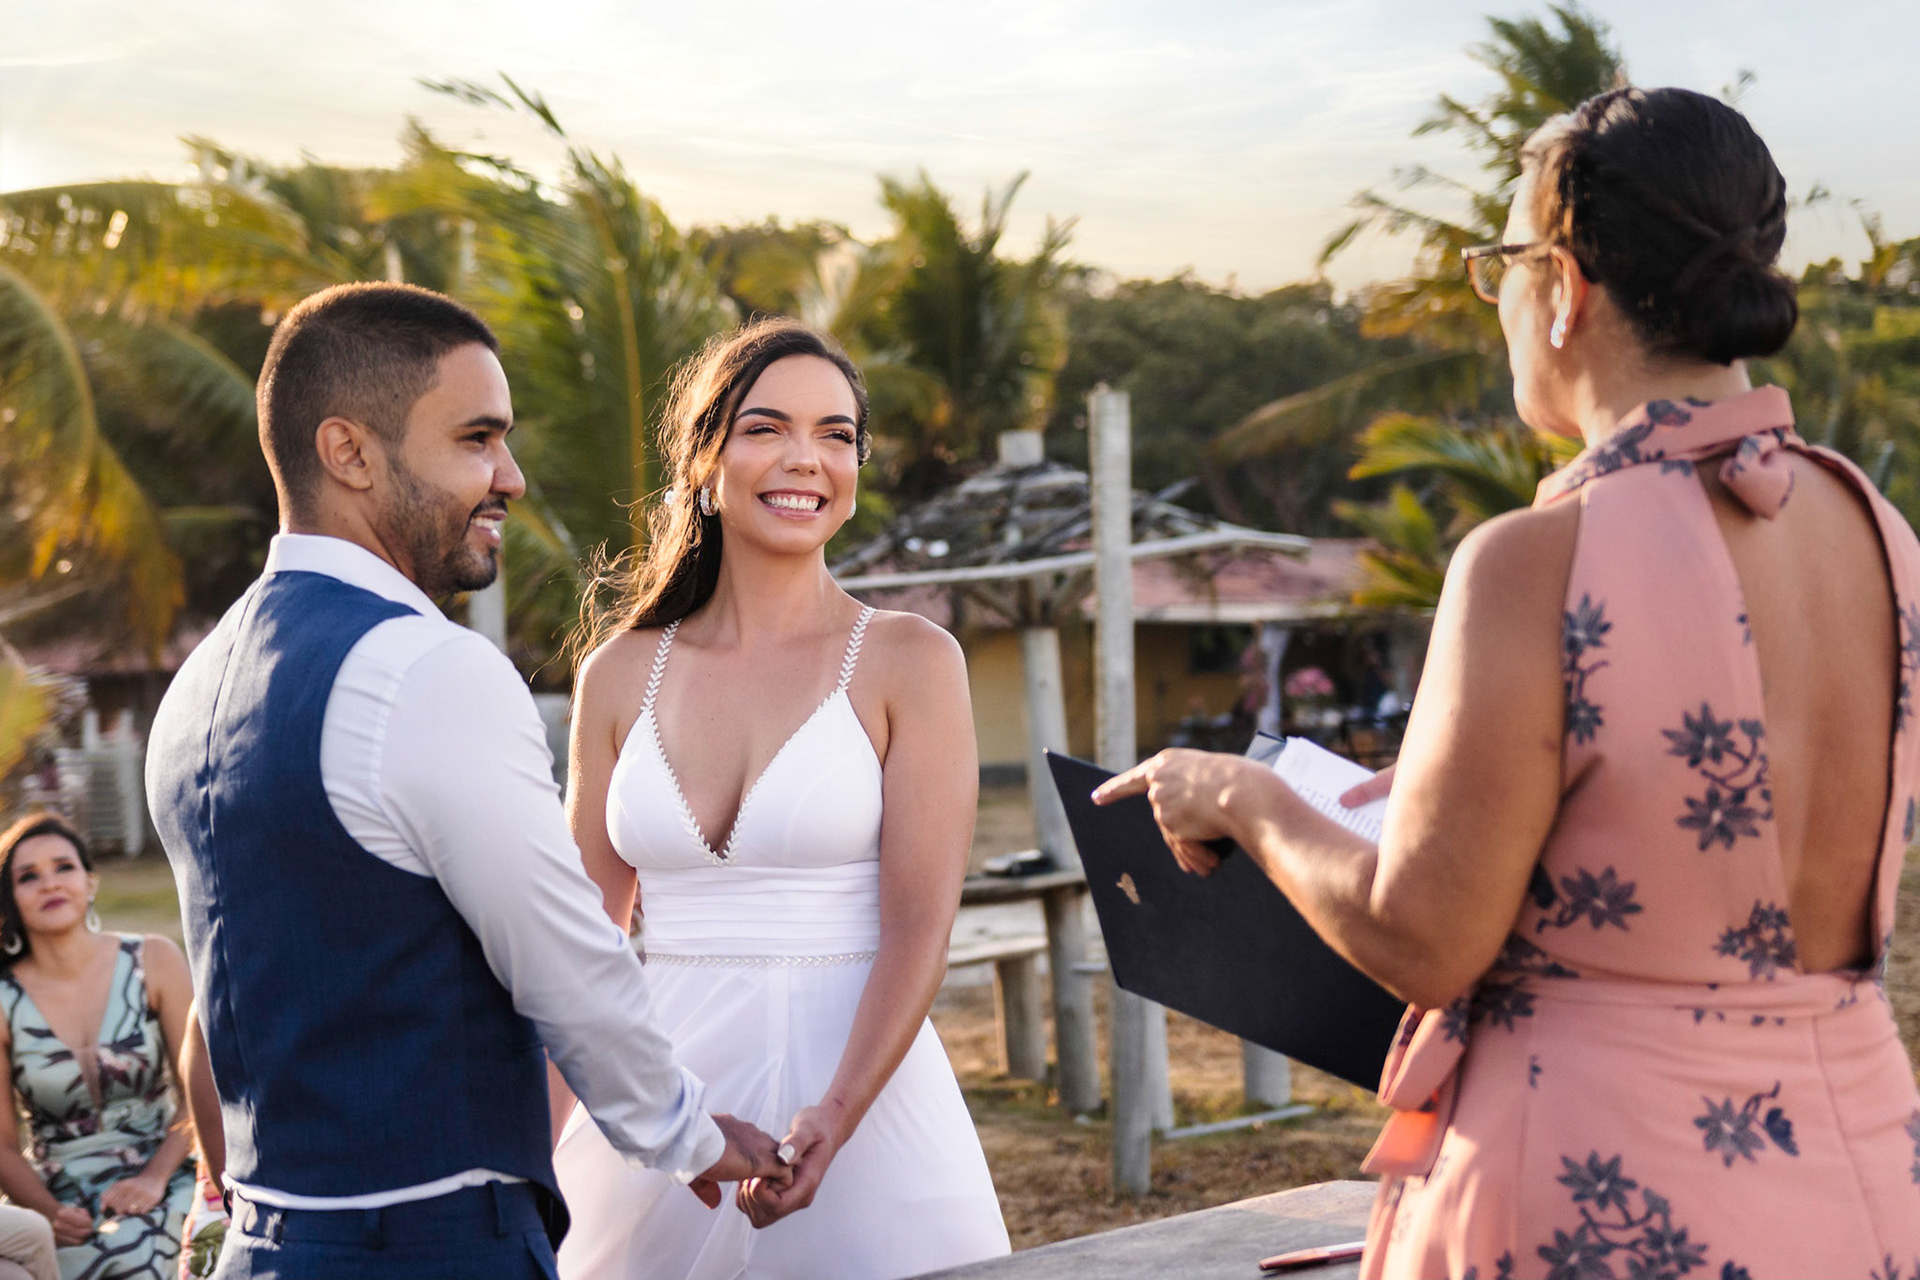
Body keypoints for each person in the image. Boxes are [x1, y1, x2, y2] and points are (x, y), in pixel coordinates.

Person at [1097, 86, 1920, 1278]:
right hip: (1860, 1176)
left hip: (1606, 1192)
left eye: (1500, 267)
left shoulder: (1538, 557)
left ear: (1566, 284)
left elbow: (1423, 937)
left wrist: (1243, 798)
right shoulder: (1878, 531)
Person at [143, 283, 789, 1280]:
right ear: (348, 450)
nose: (512, 477)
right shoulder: (425, 669)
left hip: (267, 1242)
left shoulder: (197, 685)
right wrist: (691, 1134)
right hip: (428, 1243)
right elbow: (564, 953)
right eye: (477, 438)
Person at [551, 318, 1010, 1279]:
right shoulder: (617, 674)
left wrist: (837, 1117)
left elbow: (920, 929)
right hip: (661, 1114)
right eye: (767, 428)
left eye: (836, 434)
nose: (807, 458)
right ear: (704, 458)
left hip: (863, 1106)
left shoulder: (910, 661)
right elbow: (578, 949)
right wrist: (535, 1154)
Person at [0, 814, 195, 1280]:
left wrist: (153, 1179)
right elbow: (2, 1147)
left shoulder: (155, 959)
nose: (49, 884)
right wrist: (48, 1211)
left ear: (90, 881)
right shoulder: (2, 999)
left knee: (184, 1243)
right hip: (60, 1192)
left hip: (166, 1168)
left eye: (63, 867)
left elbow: (201, 1094)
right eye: (28, 876)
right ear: (9, 899)